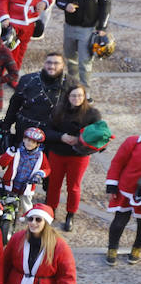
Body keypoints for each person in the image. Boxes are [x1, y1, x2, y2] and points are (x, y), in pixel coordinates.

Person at [43, 83, 102, 231]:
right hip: (57, 153)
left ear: (85, 97)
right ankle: (50, 210)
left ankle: (71, 214)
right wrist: (61, 137)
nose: (77, 98)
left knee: (74, 187)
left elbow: (100, 138)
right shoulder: (58, 110)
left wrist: (81, 141)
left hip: (79, 156)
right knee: (53, 184)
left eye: (80, 95)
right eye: (73, 95)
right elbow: (47, 131)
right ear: (68, 97)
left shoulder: (92, 114)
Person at [56, 0, 110, 87]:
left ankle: (85, 92)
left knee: (85, 62)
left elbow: (106, 4)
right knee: (70, 59)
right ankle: (72, 88)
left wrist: (102, 27)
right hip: (69, 27)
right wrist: (66, 5)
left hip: (88, 29)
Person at [106, 133, 141, 264]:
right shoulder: (133, 142)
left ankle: (137, 248)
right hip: (126, 189)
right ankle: (112, 248)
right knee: (119, 222)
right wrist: (111, 186)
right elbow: (117, 162)